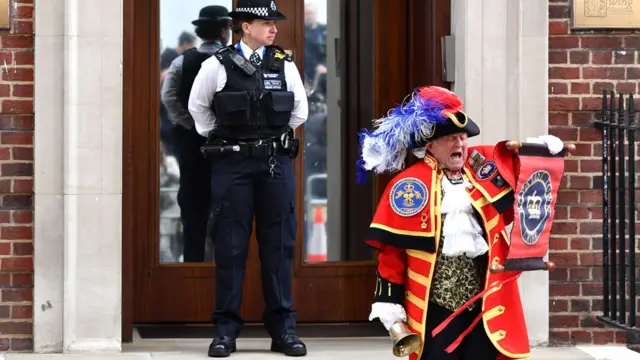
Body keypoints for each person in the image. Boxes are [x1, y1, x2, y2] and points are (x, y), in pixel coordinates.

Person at [356, 86, 564, 360]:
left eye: (463, 137)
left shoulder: (482, 168)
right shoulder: (409, 185)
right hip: (435, 307)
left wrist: (543, 152)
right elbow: (392, 253)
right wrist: (388, 301)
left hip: (485, 303)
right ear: (430, 145)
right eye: (450, 138)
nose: (460, 144)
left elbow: (523, 171)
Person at [188, 0, 308, 357]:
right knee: (230, 248)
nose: (273, 28)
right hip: (233, 166)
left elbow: (299, 110)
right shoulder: (216, 64)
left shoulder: (284, 64)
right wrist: (231, 141)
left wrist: (269, 139)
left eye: (274, 22)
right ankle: (225, 331)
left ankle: (283, 331)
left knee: (279, 249)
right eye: (265, 22)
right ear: (244, 26)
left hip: (275, 165)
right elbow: (199, 109)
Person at [161, 5, 232, 262]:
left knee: (193, 214)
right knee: (229, 215)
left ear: (200, 32)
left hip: (192, 144)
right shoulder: (235, 60)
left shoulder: (181, 61)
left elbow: (168, 98)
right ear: (224, 32)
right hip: (229, 145)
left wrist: (191, 124)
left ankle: (193, 272)